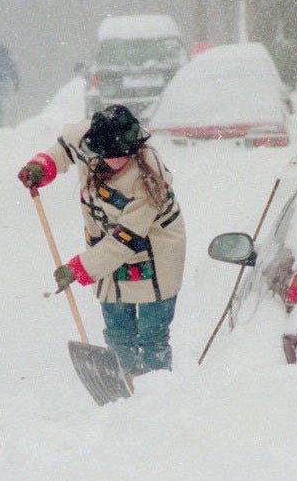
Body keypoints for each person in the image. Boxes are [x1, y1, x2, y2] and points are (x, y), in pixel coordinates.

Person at [17, 104, 186, 377]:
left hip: (155, 251)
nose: (119, 162)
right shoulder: (87, 139)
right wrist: (42, 167)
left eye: (125, 155)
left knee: (153, 335)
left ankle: (157, 391)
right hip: (106, 249)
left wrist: (78, 268)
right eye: (111, 156)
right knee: (119, 332)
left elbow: (125, 240)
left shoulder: (149, 178)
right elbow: (63, 150)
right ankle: (125, 381)